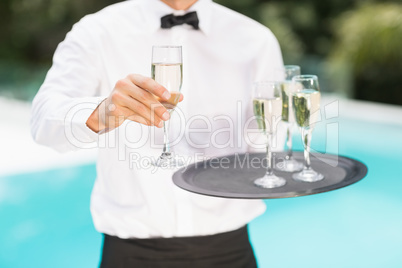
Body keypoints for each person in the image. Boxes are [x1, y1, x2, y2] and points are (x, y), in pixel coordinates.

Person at [31, 0, 284, 267]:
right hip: (131, 254)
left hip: (231, 252)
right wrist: (100, 112)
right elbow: (43, 122)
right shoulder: (98, 31)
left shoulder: (256, 39)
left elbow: (271, 147)